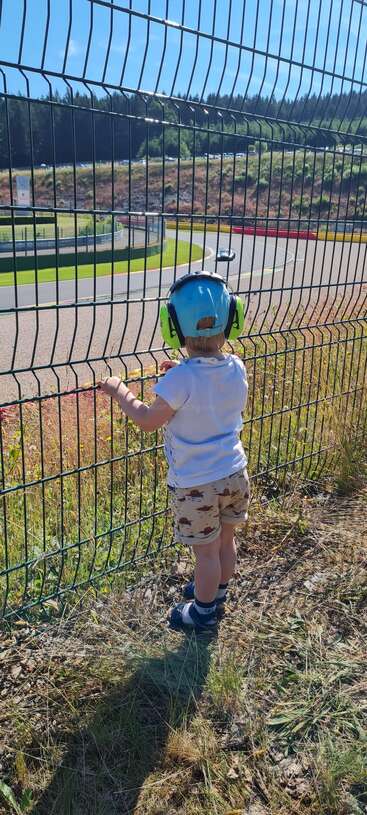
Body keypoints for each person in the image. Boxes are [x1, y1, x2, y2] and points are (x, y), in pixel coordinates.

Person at [99, 271, 249, 632]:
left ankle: (202, 612)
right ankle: (218, 592)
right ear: (233, 318)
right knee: (226, 542)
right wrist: (181, 373)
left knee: (206, 554)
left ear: (172, 327)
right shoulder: (236, 365)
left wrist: (121, 392)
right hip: (235, 473)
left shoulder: (180, 379)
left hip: (197, 485)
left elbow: (149, 419)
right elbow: (205, 387)